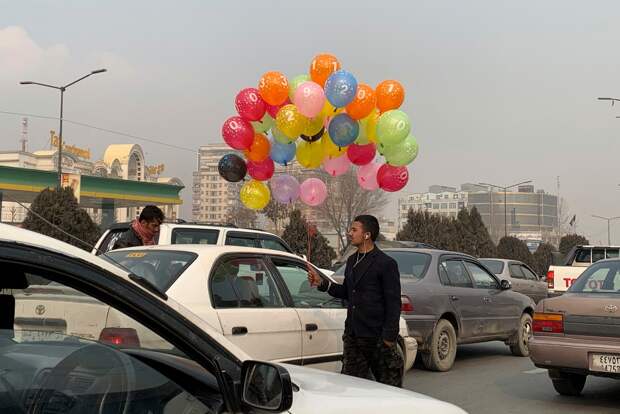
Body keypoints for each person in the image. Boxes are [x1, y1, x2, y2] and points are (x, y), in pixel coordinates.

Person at [307, 215, 403, 387]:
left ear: (367, 234)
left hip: (377, 337)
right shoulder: (351, 260)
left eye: (354, 230)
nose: (349, 233)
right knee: (351, 386)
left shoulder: (386, 263)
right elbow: (347, 291)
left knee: (389, 388)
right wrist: (322, 283)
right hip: (353, 336)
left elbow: (393, 303)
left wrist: (389, 338)